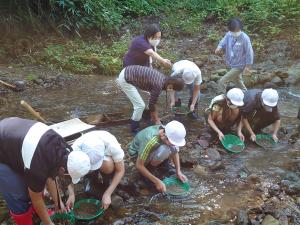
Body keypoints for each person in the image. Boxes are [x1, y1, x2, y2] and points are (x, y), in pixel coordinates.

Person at [0, 117, 91, 225]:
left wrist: (58, 202)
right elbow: (36, 198)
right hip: (3, 147)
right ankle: (25, 221)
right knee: (18, 194)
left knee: (36, 186)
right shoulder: (37, 164)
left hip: (15, 135)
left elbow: (50, 174)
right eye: (67, 176)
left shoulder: (63, 149)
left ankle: (38, 213)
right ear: (62, 169)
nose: (66, 179)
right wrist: (49, 223)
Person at [116, 65, 184, 134]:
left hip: (130, 72)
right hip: (126, 78)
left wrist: (155, 116)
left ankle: (146, 118)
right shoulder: (158, 85)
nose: (171, 90)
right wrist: (156, 120)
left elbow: (153, 101)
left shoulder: (164, 79)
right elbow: (152, 104)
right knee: (140, 106)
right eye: (172, 89)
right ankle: (134, 128)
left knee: (146, 99)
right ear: (171, 84)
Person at [71, 130, 125, 210]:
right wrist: (71, 194)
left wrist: (108, 193)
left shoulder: (112, 146)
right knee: (81, 169)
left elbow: (120, 170)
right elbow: (69, 170)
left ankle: (107, 182)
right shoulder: (75, 150)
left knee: (108, 167)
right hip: (84, 157)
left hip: (106, 155)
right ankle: (90, 180)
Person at [128, 120, 187, 192]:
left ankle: (160, 164)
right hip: (136, 154)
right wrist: (156, 181)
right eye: (172, 142)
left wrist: (178, 171)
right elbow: (139, 165)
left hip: (153, 150)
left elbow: (175, 152)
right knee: (164, 149)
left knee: (169, 148)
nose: (174, 144)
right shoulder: (151, 141)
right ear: (164, 135)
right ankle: (148, 171)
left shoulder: (168, 131)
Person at [215, 18, 254, 92]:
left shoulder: (245, 38)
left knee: (222, 82)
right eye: (233, 31)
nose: (235, 32)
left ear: (240, 28)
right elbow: (223, 41)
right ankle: (246, 94)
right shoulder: (229, 34)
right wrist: (219, 47)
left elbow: (249, 52)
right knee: (238, 81)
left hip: (239, 65)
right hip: (231, 63)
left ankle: (223, 99)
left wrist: (248, 66)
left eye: (237, 30)